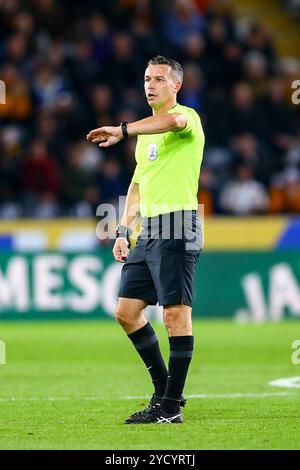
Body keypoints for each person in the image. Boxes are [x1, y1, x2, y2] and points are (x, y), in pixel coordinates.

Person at [87, 55, 205, 424]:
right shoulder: (145, 138)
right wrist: (122, 230)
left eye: (158, 79)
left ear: (176, 86)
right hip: (149, 230)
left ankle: (170, 408)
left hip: (178, 224)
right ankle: (165, 391)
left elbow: (172, 120)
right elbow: (138, 186)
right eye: (146, 78)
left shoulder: (186, 119)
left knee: (175, 316)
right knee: (126, 312)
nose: (150, 85)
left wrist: (123, 129)